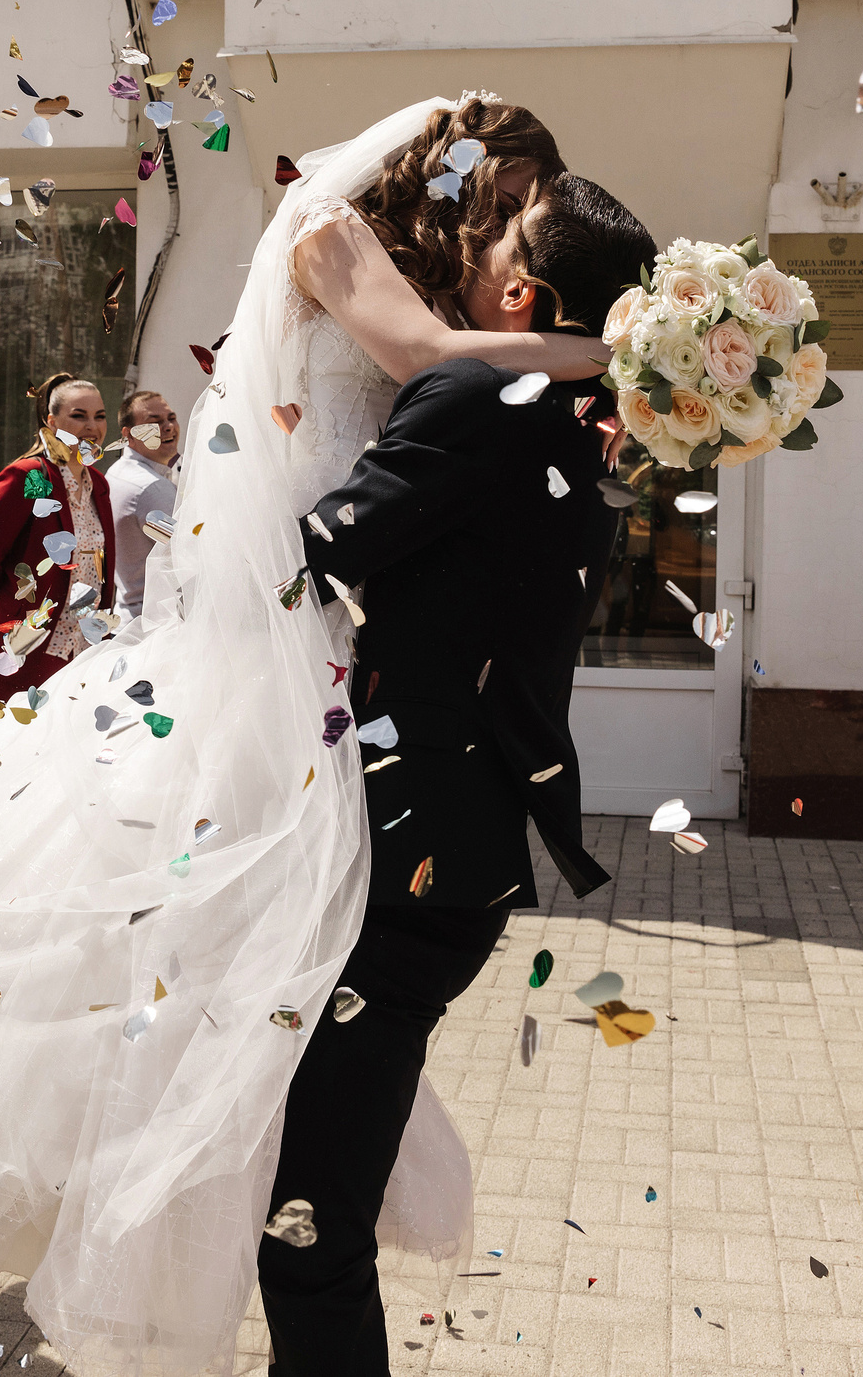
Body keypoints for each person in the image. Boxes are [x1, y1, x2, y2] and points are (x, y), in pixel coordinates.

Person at [0, 95, 623, 1377]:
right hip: (305, 650)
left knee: (257, 1034)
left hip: (361, 698)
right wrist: (606, 350)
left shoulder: (478, 362)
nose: (495, 227)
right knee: (212, 993)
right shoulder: (351, 257)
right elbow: (427, 367)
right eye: (501, 199)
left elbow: (440, 434)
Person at [260, 173, 654, 1373]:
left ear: (519, 292)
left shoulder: (486, 394)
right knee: (304, 1199)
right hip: (442, 853)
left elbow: (315, 555)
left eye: (490, 240)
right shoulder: (564, 411)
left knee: (310, 1227)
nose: (468, 246)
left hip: (405, 869)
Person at [0, 374, 118, 691]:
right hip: (25, 651)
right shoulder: (31, 476)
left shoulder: (98, 484)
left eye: (100, 416)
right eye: (79, 416)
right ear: (52, 422)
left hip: (86, 652)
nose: (92, 427)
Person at [108, 390, 181, 616]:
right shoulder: (151, 488)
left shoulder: (117, 471)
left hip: (129, 614)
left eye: (171, 418)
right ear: (128, 435)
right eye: (154, 422)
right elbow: (185, 560)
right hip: (156, 622)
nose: (168, 427)